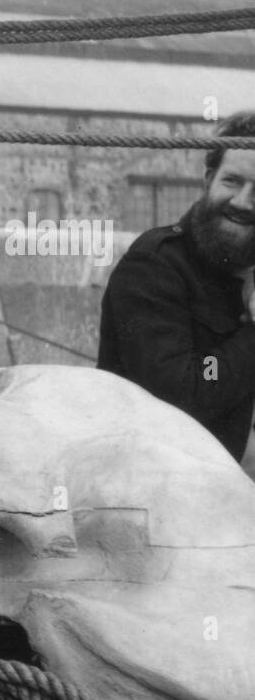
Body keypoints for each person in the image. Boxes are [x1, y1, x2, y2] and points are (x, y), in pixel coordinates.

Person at [98, 109, 255, 467]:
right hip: (165, 490)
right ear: (209, 179)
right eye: (232, 181)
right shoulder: (155, 267)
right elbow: (186, 390)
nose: (243, 202)